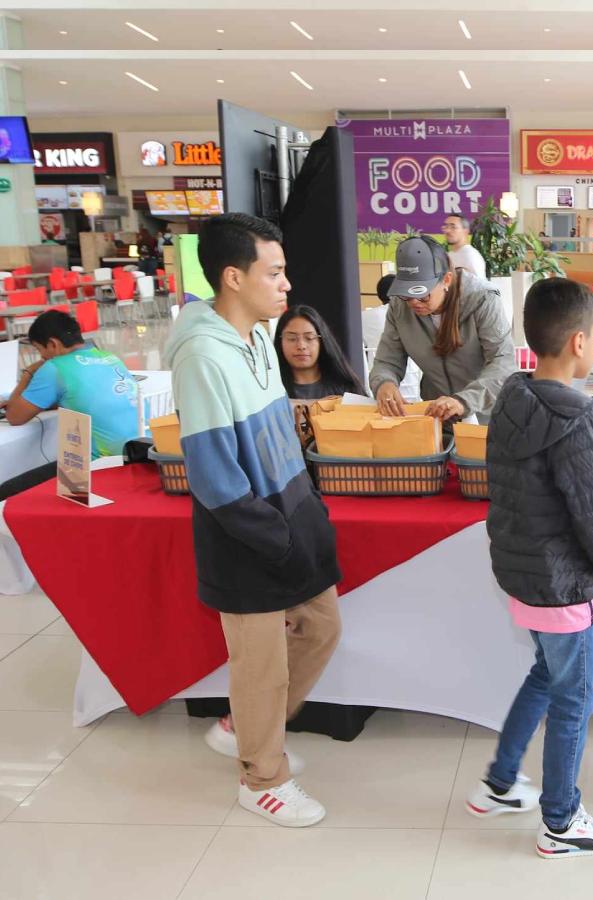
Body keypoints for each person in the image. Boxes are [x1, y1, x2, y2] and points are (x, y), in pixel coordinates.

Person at [163, 213, 342, 828]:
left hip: (290, 518)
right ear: (233, 277)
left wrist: (306, 516)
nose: (287, 285)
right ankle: (261, 777)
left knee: (322, 628)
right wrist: (277, 539)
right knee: (260, 665)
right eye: (275, 272)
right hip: (246, 537)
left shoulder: (257, 337)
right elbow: (215, 480)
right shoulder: (202, 357)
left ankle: (246, 727)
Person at [466, 277, 593, 859]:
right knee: (574, 699)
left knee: (546, 675)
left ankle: (501, 781)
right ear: (581, 342)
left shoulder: (514, 395)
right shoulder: (577, 414)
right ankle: (561, 821)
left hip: (522, 572)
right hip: (562, 583)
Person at [370, 235, 515, 424]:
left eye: (422, 296)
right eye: (406, 295)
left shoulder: (483, 299)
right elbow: (386, 361)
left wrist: (463, 401)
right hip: (438, 419)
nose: (413, 303)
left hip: (491, 418)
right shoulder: (399, 306)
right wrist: (384, 383)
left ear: (446, 279)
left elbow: (503, 363)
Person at [1, 310, 139, 459]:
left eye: (39, 349)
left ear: (53, 344)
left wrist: (28, 372)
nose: (41, 356)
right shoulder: (108, 356)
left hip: (106, 465)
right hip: (144, 452)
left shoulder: (55, 367)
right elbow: (79, 396)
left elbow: (14, 417)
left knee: (14, 483)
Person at [274, 305, 366, 400]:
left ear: (322, 341)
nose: (301, 346)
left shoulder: (347, 389)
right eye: (292, 339)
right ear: (280, 341)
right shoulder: (272, 392)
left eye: (309, 338)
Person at [441, 214, 488, 280]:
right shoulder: (449, 255)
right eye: (446, 226)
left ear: (465, 231)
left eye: (453, 227)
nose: (447, 231)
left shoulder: (470, 255)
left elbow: (480, 288)